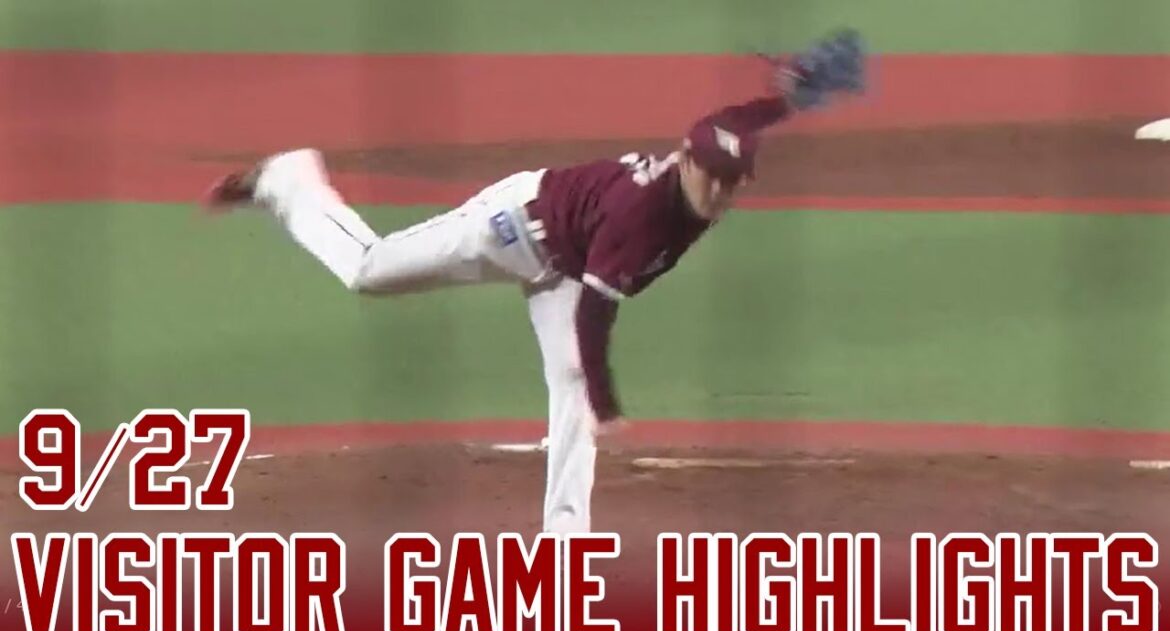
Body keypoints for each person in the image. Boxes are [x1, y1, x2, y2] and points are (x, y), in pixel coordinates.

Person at [203, 29, 866, 534]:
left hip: (566, 262)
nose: (718, 191)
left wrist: (793, 96)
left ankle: (564, 542)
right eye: (711, 177)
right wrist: (610, 401)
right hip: (513, 227)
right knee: (369, 271)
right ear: (687, 163)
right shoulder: (642, 218)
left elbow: (744, 121)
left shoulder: (710, 150)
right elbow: (595, 318)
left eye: (731, 182)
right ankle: (291, 181)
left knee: (568, 385)